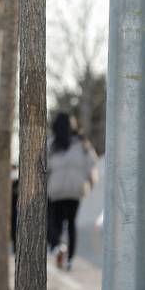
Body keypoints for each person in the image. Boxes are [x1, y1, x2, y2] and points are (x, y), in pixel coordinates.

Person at [47, 112, 98, 271]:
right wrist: (89, 185)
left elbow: (44, 167)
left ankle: (56, 246)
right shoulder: (83, 144)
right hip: (76, 190)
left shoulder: (51, 144)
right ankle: (70, 260)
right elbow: (93, 165)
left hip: (55, 190)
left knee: (54, 221)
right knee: (71, 224)